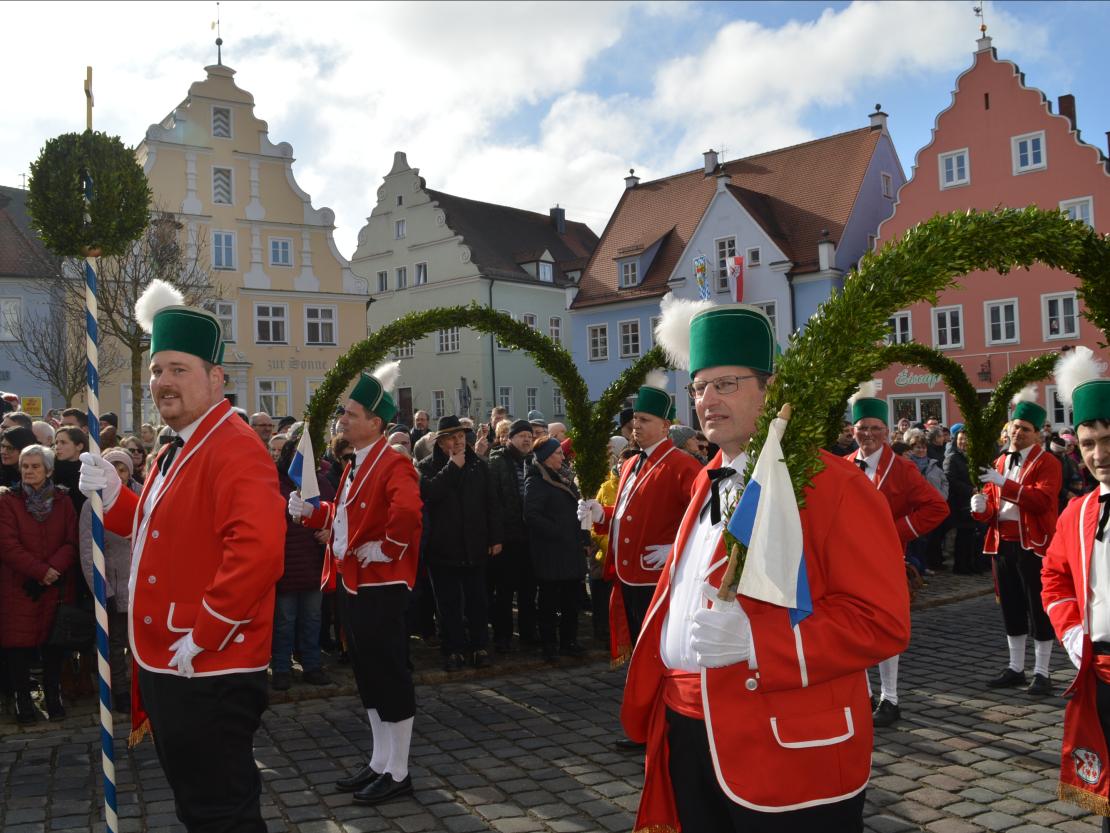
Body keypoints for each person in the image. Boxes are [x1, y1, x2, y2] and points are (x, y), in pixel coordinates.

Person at [623, 298, 909, 832]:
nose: (707, 399)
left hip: (787, 745)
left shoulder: (835, 486)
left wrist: (760, 642)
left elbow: (881, 621)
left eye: (725, 384)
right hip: (686, 730)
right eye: (699, 387)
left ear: (771, 388)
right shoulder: (705, 479)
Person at [77, 280, 285, 832]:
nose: (162, 381)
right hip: (174, 658)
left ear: (217, 378)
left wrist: (207, 629)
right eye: (156, 370)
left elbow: (258, 551)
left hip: (206, 662)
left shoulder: (235, 446)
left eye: (178, 369)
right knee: (200, 808)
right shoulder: (179, 445)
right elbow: (153, 528)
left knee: (222, 812)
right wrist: (113, 493)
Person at [291, 362, 423, 806]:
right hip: (354, 581)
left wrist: (389, 546)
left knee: (388, 672)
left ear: (375, 423)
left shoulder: (394, 462)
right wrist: (311, 512)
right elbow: (348, 518)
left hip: (380, 584)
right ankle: (380, 761)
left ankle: (399, 770)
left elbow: (407, 513)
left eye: (351, 414)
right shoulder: (357, 463)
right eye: (343, 413)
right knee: (368, 674)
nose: (342, 419)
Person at [846, 385, 949, 727]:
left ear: (887, 432)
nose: (869, 434)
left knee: (885, 626)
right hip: (847, 562)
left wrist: (894, 531)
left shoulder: (902, 468)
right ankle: (862, 694)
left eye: (876, 428)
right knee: (850, 627)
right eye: (863, 428)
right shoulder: (843, 465)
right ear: (853, 430)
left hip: (886, 560)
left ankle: (890, 698)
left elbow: (936, 507)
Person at [1040, 347, 1110, 828]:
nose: (1099, 454)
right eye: (1088, 444)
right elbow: (1054, 576)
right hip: (1100, 672)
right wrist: (1069, 634)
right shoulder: (1078, 511)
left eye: (1108, 439)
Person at [972, 387, 1063, 696]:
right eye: (1014, 427)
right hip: (1002, 543)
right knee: (1010, 606)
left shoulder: (1048, 461)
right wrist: (982, 509)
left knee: (1037, 607)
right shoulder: (1000, 462)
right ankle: (1015, 667)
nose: (1017, 433)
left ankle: (1042, 671)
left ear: (1037, 434)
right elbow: (993, 505)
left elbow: (1041, 501)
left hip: (1033, 545)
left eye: (1025, 429)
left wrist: (1005, 486)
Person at [0, 444, 78, 722]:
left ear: (48, 470)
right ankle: (23, 701)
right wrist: (38, 571)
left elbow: (71, 541)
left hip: (55, 585)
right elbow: (7, 545)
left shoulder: (63, 501)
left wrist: (53, 570)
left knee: (53, 645)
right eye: (25, 466)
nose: (29, 471)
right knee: (19, 646)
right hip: (19, 584)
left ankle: (53, 695)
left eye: (35, 466)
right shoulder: (8, 501)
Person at [418, 415, 503, 671]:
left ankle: (479, 646)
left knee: (478, 600)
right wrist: (453, 467)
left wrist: (495, 537)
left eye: (461, 436)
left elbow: (492, 503)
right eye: (452, 437)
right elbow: (430, 494)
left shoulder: (479, 465)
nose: (458, 441)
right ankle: (453, 649)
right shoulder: (426, 466)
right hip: (442, 548)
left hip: (475, 544)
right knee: (448, 604)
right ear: (441, 442)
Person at [272, 427, 336, 690]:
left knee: (312, 619)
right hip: (286, 564)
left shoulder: (320, 483)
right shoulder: (274, 483)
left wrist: (328, 531)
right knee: (284, 621)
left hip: (312, 562)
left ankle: (311, 665)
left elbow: (335, 515)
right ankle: (282, 668)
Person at [78, 449, 133, 713]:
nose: (119, 475)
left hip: (141, 587)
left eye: (123, 469)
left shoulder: (143, 497)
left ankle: (141, 689)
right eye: (115, 469)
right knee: (116, 644)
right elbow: (89, 553)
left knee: (141, 644)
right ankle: (121, 691)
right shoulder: (93, 504)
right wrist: (103, 591)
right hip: (114, 586)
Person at [525, 437, 588, 662]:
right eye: (558, 453)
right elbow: (531, 515)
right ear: (546, 457)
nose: (563, 457)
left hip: (570, 549)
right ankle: (549, 645)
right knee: (549, 602)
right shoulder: (536, 480)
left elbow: (578, 509)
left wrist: (584, 536)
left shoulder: (565, 478)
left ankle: (569, 641)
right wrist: (559, 531)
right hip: (551, 552)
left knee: (571, 601)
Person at [487, 419, 540, 652]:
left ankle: (529, 633)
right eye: (522, 436)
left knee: (529, 589)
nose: (527, 439)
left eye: (529, 435)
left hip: (530, 537)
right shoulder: (498, 461)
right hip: (507, 538)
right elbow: (492, 502)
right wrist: (495, 537)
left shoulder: (533, 461)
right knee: (505, 591)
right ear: (509, 438)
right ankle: (503, 636)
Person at [944, 427, 980, 574]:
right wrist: (969, 489)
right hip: (959, 502)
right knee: (962, 536)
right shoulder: (952, 458)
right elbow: (950, 479)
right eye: (961, 439)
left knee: (971, 535)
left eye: (966, 439)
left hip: (972, 501)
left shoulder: (972, 457)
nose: (964, 442)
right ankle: (960, 566)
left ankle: (969, 564)